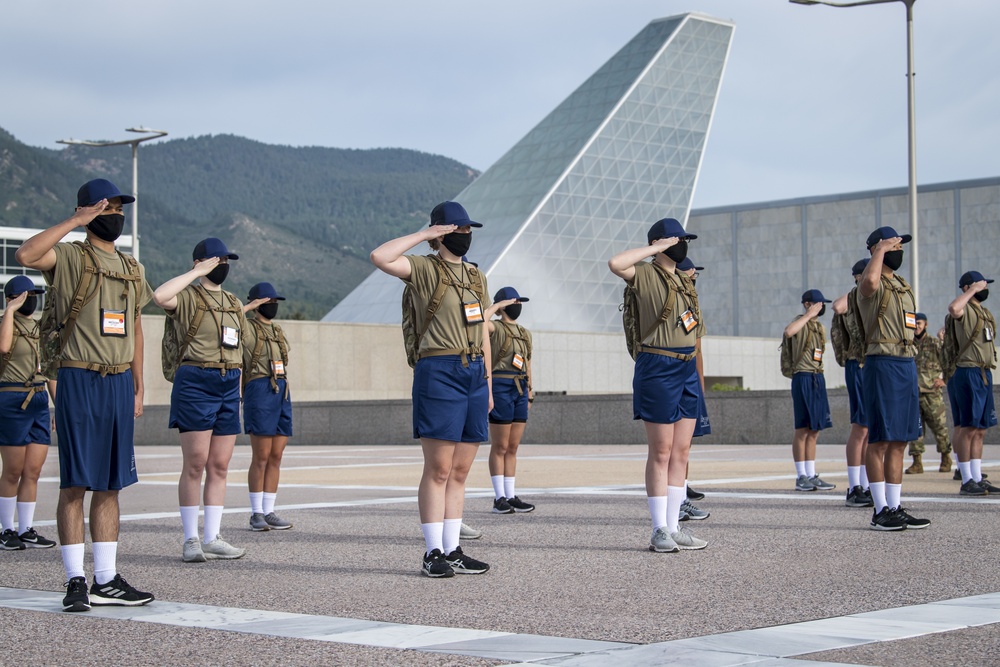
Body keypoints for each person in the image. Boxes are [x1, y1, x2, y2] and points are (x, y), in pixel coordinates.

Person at [15, 178, 155, 611]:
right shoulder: (71, 256)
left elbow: (134, 327)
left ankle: (106, 579)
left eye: (117, 207)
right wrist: (76, 222)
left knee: (112, 483)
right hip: (78, 377)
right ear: (87, 210)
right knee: (76, 482)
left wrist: (138, 381)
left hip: (117, 380)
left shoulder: (133, 268)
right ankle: (76, 578)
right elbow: (26, 255)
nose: (114, 213)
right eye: (105, 207)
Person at [370, 201, 502, 577]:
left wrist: (488, 383)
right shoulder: (425, 268)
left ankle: (453, 548)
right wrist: (426, 236)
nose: (465, 236)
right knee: (439, 467)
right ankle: (432, 553)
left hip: (474, 372)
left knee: (461, 470)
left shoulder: (477, 277)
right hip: (439, 369)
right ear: (442, 232)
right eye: (457, 230)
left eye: (467, 230)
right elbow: (380, 256)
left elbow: (482, 332)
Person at [609, 217, 708, 553]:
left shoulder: (684, 282)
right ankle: (658, 529)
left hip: (685, 366)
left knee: (681, 451)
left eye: (685, 240)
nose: (683, 245)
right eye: (677, 240)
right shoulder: (645, 273)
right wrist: (655, 248)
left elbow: (695, 331)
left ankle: (676, 526)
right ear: (661, 242)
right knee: (661, 451)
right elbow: (615, 263)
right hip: (658, 364)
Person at [153, 238, 247, 562]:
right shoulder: (187, 297)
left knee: (219, 465)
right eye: (216, 260)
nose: (223, 264)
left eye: (226, 260)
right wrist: (195, 274)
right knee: (195, 463)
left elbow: (240, 349)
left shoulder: (235, 303)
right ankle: (191, 538)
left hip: (229, 381)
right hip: (196, 380)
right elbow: (159, 296)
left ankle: (212, 536)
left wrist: (240, 391)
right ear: (200, 262)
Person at [856, 226, 928, 530]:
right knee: (881, 439)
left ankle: (895, 506)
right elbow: (870, 282)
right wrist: (881, 250)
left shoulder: (902, 285)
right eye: (892, 245)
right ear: (876, 249)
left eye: (899, 246)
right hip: (882, 362)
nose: (898, 250)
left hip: (905, 362)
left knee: (901, 439)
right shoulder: (870, 281)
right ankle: (880, 510)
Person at [0, 276, 55, 551]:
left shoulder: (39, 328)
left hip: (38, 398)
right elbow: (4, 347)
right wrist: (9, 310)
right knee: (13, 469)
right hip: (12, 398)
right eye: (25, 295)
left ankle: (26, 529)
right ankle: (6, 529)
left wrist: (58, 407)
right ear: (12, 296)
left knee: (32, 470)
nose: (31, 299)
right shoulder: (4, 323)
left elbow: (50, 369)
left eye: (34, 295)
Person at [242, 282, 293, 531]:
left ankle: (269, 509)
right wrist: (250, 307)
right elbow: (227, 317)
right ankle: (256, 512)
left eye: (274, 302)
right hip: (259, 389)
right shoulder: (247, 328)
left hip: (281, 390)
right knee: (260, 456)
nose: (272, 305)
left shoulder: (278, 331)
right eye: (267, 301)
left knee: (276, 455)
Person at [945, 271, 998, 496]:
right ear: (968, 287)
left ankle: (977, 477)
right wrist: (973, 290)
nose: (985, 288)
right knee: (968, 427)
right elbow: (954, 309)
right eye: (980, 285)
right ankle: (966, 479)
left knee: (980, 429)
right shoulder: (964, 309)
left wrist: (976, 289)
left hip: (984, 372)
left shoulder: (983, 312)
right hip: (967, 372)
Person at [487, 286, 535, 515]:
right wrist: (496, 307)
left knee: (513, 446)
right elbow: (479, 322)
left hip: (520, 387)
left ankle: (511, 494)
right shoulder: (495, 327)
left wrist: (531, 392)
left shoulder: (525, 333)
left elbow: (527, 362)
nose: (518, 305)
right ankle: (499, 498)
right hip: (500, 385)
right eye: (513, 301)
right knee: (500, 445)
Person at [783, 290, 836, 492]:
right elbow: (789, 332)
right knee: (802, 428)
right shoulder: (801, 321)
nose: (820, 307)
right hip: (803, 376)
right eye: (817, 304)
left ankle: (811, 474)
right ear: (807, 304)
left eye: (822, 304)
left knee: (815, 429)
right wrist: (807, 315)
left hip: (817, 376)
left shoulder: (818, 327)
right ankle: (801, 476)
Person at [831, 260, 873, 508]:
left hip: (874, 365)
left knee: (871, 429)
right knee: (861, 426)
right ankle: (854, 486)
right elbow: (837, 306)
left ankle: (866, 484)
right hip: (858, 365)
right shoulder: (854, 297)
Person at [674, 257, 709, 521]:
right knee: (671, 446)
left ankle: (681, 492)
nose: (694, 276)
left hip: (689, 378)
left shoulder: (692, 304)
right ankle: (676, 499)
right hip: (670, 373)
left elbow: (697, 348)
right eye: (690, 272)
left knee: (685, 445)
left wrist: (701, 382)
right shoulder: (670, 297)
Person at [904, 313, 953, 475]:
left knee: (940, 428)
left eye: (919, 323)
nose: (917, 326)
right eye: (914, 323)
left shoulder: (934, 343)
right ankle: (917, 463)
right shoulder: (908, 344)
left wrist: (944, 380)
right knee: (915, 431)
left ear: (926, 324)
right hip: (912, 394)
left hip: (932, 394)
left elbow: (948, 360)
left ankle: (946, 457)